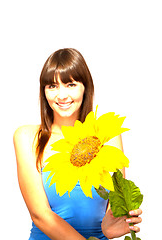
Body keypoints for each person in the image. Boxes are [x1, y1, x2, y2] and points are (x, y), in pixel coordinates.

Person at [14, 48, 142, 240]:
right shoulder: (28, 137)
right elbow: (40, 215)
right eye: (52, 86)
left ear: (85, 87)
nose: (61, 95)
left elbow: (114, 204)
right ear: (44, 91)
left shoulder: (107, 136)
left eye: (70, 84)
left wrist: (111, 223)